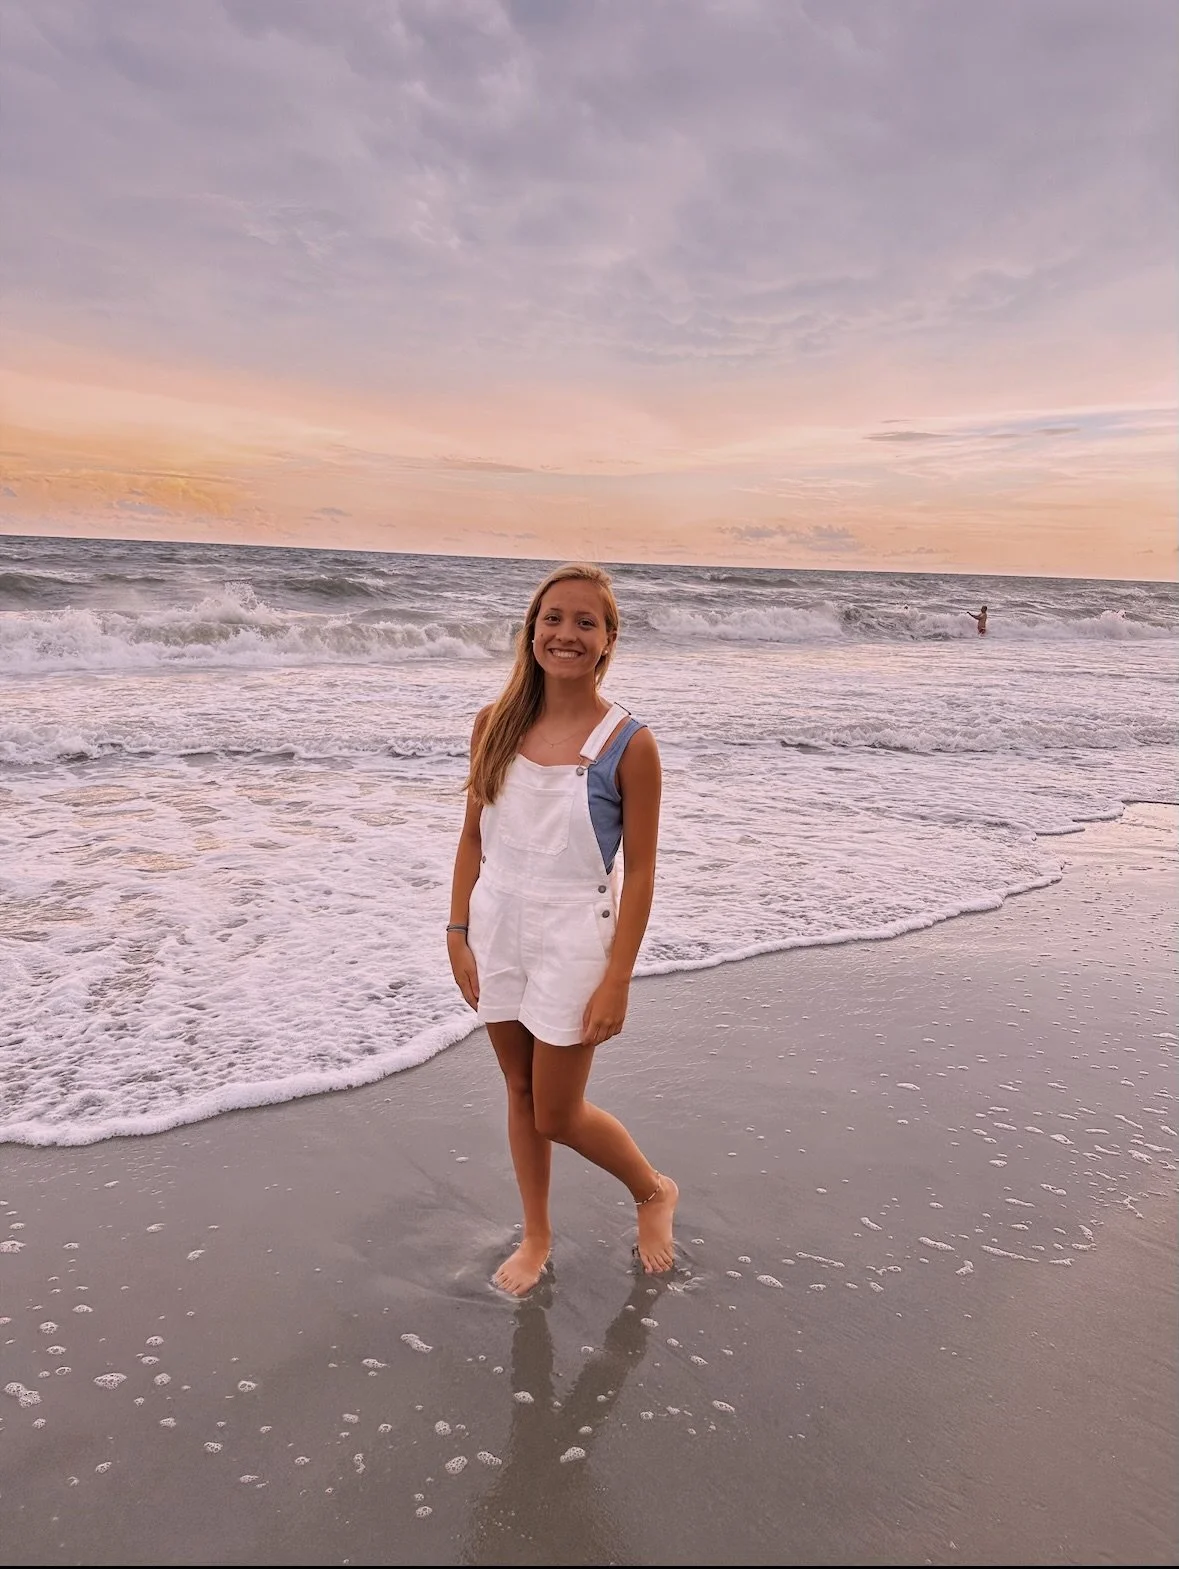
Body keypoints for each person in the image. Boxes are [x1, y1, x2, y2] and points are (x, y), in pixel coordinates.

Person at [446, 561, 677, 1295]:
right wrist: (457, 930)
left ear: (608, 640)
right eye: (552, 618)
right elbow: (471, 837)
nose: (565, 633)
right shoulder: (495, 722)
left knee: (557, 1111)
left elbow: (638, 871)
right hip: (497, 922)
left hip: (576, 932)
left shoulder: (628, 743)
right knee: (517, 1091)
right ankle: (537, 1232)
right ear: (532, 629)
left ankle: (650, 1190)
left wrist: (617, 978)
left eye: (585, 622)